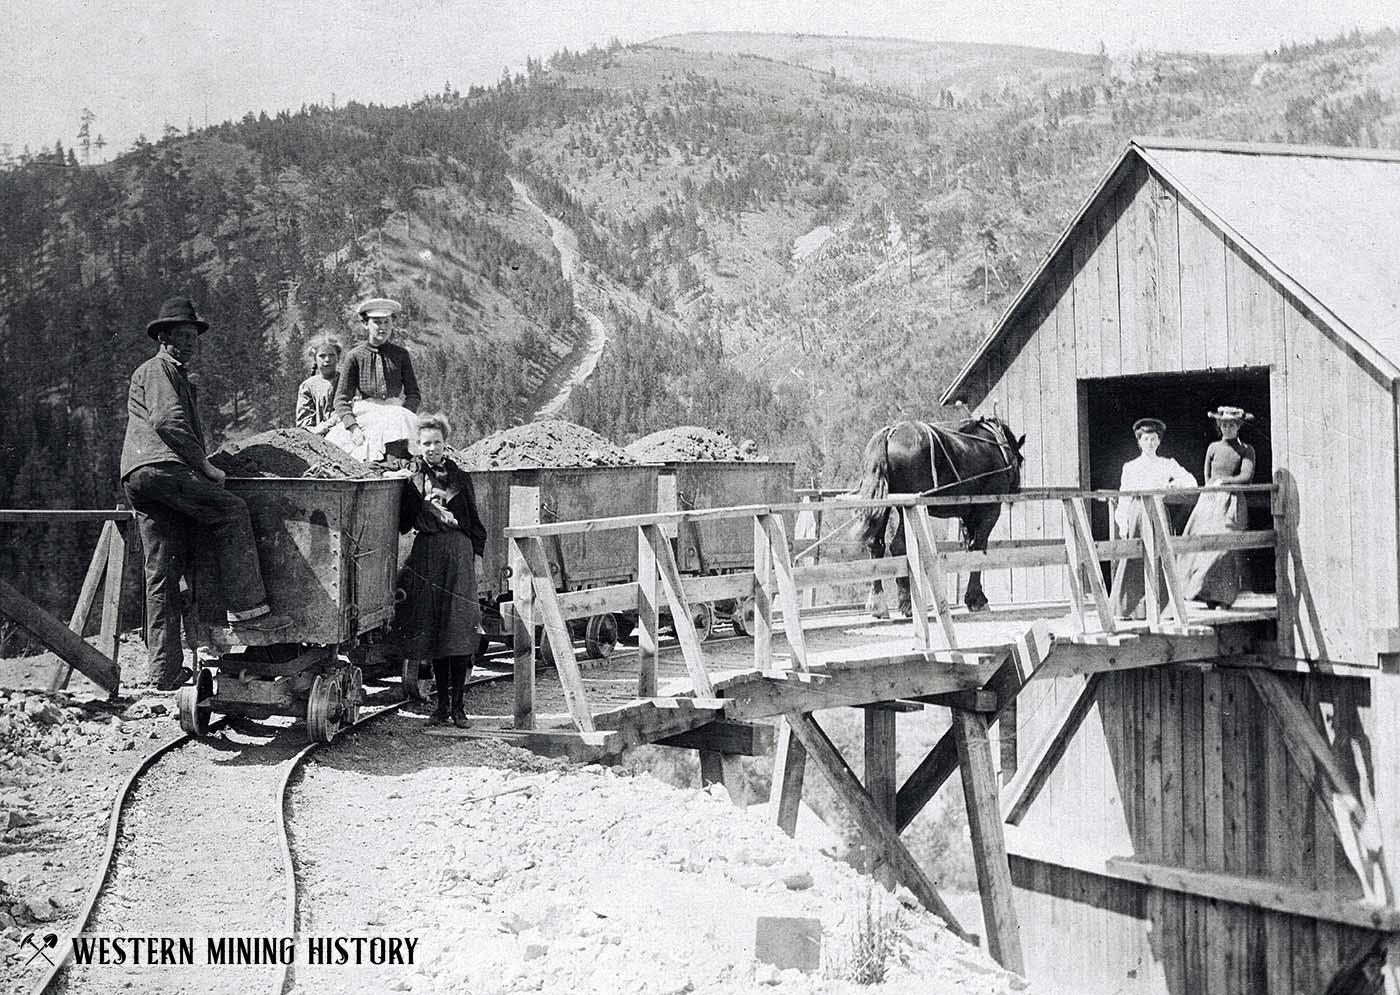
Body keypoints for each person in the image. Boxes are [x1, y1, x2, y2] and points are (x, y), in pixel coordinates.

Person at [120, 297, 290, 689]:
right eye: (181, 335)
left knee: (160, 573)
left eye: (193, 336)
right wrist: (206, 466)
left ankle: (163, 670)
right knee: (231, 511)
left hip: (138, 477)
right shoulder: (159, 369)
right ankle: (250, 611)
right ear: (162, 337)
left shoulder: (167, 372)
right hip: (163, 469)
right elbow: (167, 420)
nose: (189, 343)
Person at [396, 412, 486, 727]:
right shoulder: (412, 479)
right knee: (433, 631)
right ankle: (440, 707)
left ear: (445, 444)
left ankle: (459, 708)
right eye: (425, 444)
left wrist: (477, 557)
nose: (431, 448)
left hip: (459, 553)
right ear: (418, 446)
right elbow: (404, 523)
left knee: (458, 631)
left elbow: (475, 522)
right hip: (428, 554)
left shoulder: (462, 478)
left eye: (436, 442)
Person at [1112, 417, 1198, 620]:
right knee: (1134, 559)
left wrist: (1174, 484)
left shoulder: (1167, 464)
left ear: (1159, 441)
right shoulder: (1130, 466)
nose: (1150, 443)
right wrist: (1123, 523)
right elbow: (1124, 497)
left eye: (1154, 439)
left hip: (1158, 514)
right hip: (1137, 516)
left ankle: (1162, 610)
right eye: (1146, 439)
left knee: (1161, 558)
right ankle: (1128, 609)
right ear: (1139, 442)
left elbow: (1191, 481)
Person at [1179, 406, 1257, 609]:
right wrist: (1210, 491)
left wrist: (1225, 482)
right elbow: (1207, 475)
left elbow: (1246, 477)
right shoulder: (1213, 447)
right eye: (1223, 424)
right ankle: (1204, 594)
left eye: (1231, 425)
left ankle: (1224, 596)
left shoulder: (1246, 450)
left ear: (1239, 426)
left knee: (1224, 548)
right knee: (1201, 543)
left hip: (1231, 502)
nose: (1227, 428)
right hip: (1210, 501)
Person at [328, 297, 421, 464]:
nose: (383, 327)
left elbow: (413, 393)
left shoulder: (400, 355)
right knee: (345, 450)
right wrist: (353, 427)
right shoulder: (355, 356)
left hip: (396, 412)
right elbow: (341, 399)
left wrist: (407, 414)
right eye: (377, 322)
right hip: (367, 412)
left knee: (419, 446)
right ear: (366, 324)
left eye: (387, 322)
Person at [294, 334, 342, 435]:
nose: (327, 360)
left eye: (332, 355)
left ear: (338, 357)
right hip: (319, 437)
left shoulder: (347, 381)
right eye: (322, 356)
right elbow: (304, 424)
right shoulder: (308, 386)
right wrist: (322, 428)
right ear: (315, 359)